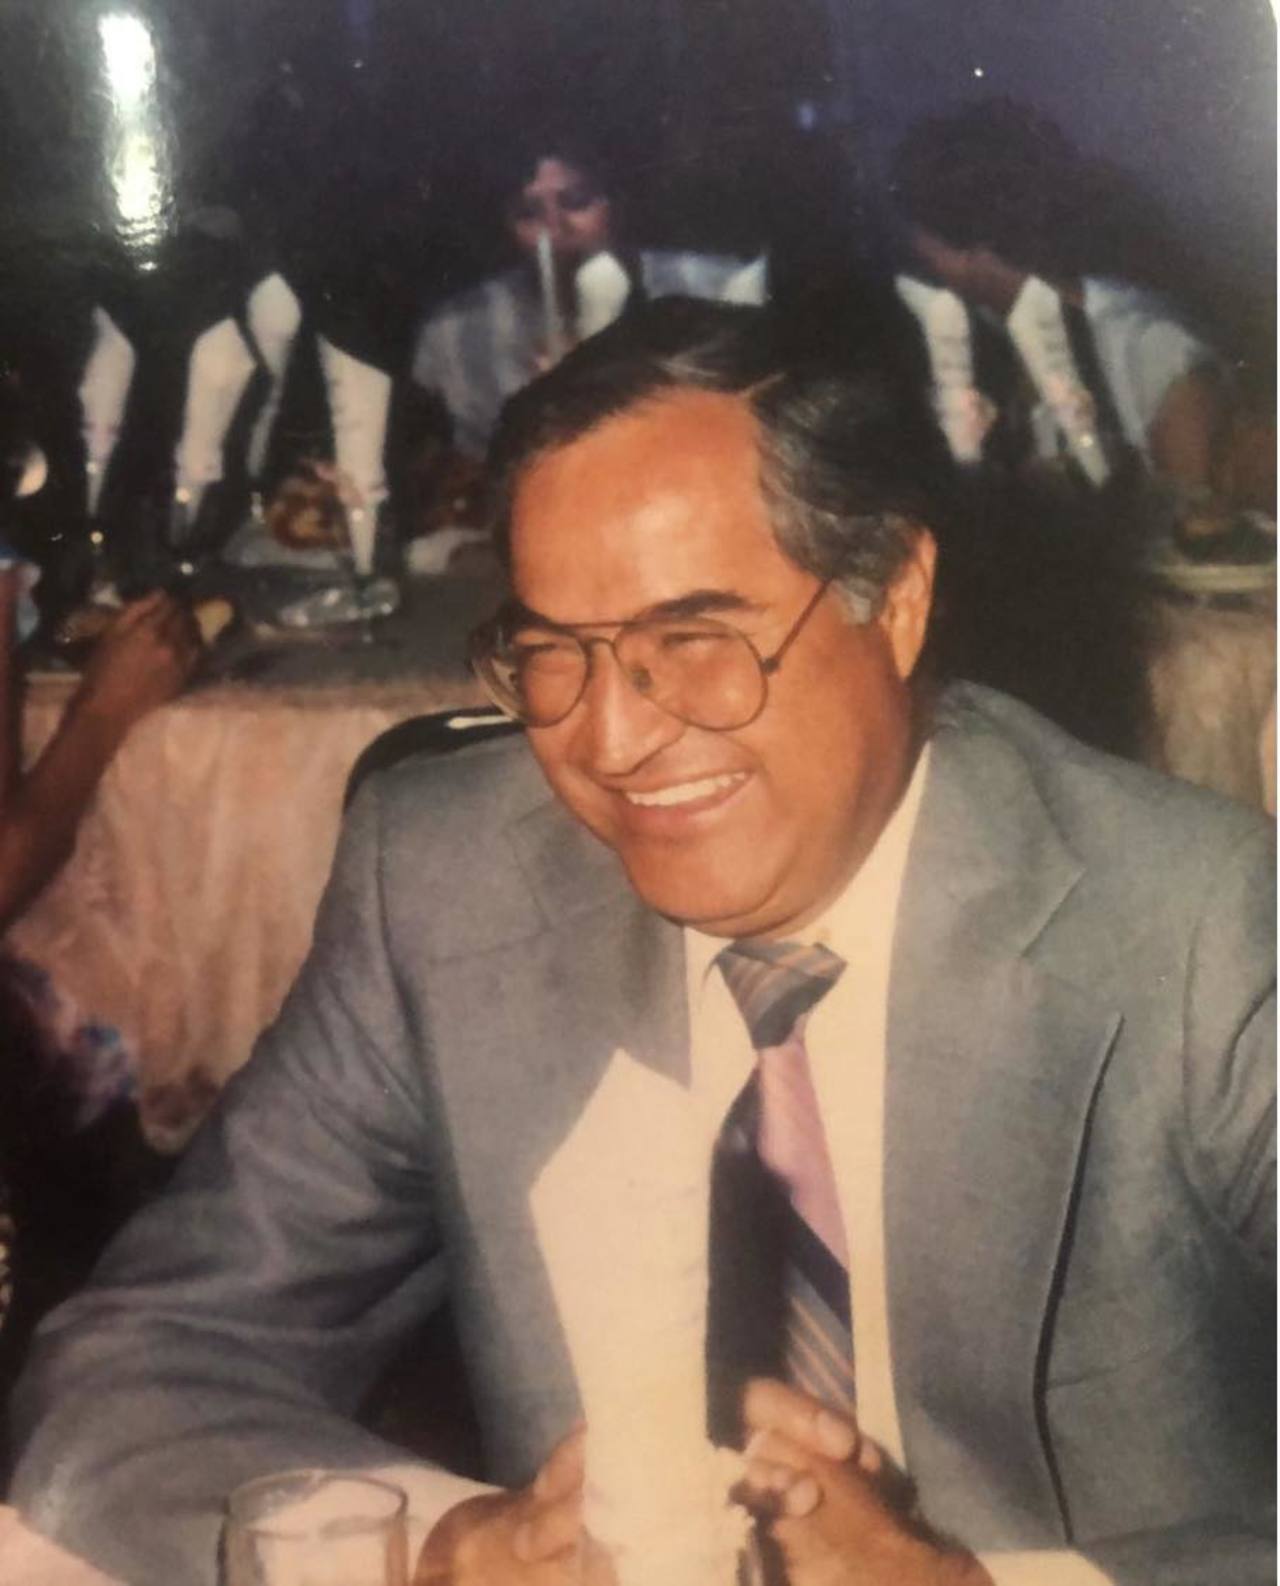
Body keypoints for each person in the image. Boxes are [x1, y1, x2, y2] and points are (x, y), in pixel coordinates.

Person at [5, 301, 1273, 1586]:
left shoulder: (1198, 926)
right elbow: (126, 1375)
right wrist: (453, 1548)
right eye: (553, 652)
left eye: (692, 641)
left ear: (893, 597)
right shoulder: (446, 883)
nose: (610, 744)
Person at [890, 98, 1233, 515]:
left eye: (924, 238)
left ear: (972, 249)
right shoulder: (986, 341)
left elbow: (1198, 526)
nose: (919, 254)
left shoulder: (1150, 348)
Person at [410, 129, 767, 464]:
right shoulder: (455, 333)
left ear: (615, 203)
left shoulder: (711, 287)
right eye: (529, 212)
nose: (556, 227)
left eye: (576, 201)